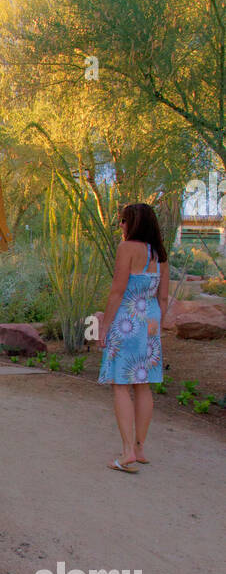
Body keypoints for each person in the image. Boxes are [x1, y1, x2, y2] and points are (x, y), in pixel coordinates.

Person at [98, 202, 169, 473]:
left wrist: (104, 326)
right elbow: (163, 298)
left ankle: (127, 451)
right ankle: (139, 448)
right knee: (143, 385)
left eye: (123, 221)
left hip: (127, 320)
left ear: (134, 223)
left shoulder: (127, 248)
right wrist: (156, 327)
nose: (121, 226)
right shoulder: (160, 254)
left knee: (120, 383)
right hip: (150, 321)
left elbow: (117, 291)